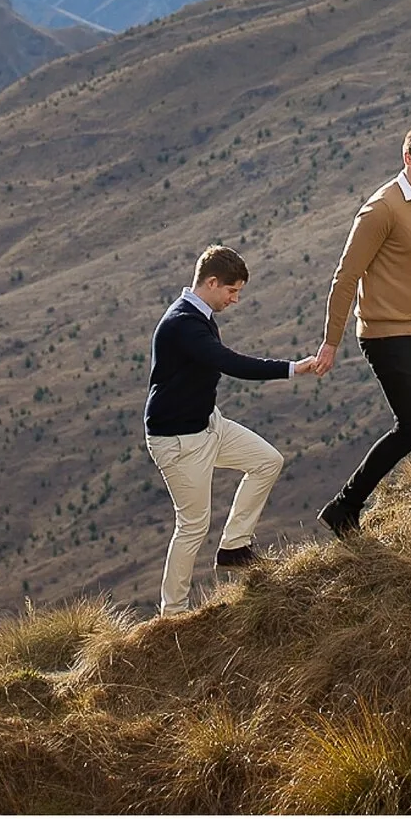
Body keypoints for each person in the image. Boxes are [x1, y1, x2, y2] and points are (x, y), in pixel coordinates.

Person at [143, 243, 321, 614]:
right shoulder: (182, 324)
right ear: (211, 282)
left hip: (209, 423)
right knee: (192, 524)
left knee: (267, 461)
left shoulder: (199, 315)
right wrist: (291, 368)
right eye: (232, 290)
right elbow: (230, 363)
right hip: (178, 440)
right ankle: (172, 612)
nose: (235, 299)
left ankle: (234, 548)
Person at [309, 123, 411, 538]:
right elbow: (346, 276)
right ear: (408, 158)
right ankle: (344, 508)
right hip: (384, 335)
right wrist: (331, 341)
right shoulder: (381, 210)